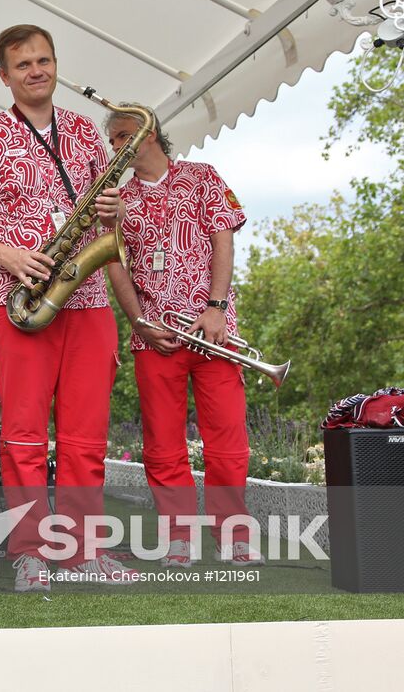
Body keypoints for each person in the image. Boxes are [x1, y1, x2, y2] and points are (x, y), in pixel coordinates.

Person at [0, 24, 138, 591]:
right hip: (21, 299)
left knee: (85, 437)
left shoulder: (84, 132)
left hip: (89, 296)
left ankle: (83, 552)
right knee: (24, 437)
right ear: (4, 75)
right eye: (23, 64)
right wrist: (9, 255)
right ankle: (31, 553)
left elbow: (108, 222)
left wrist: (112, 212)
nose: (37, 71)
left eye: (44, 60)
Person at [103, 104, 264, 567]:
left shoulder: (202, 175)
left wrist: (215, 307)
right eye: (112, 139)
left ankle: (233, 535)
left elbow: (224, 238)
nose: (116, 145)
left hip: (214, 332)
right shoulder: (118, 197)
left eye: (123, 135)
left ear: (149, 133)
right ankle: (179, 536)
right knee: (161, 445)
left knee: (228, 440)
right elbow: (113, 262)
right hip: (157, 337)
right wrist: (138, 322)